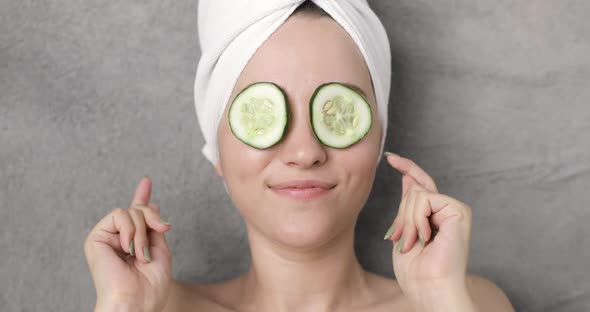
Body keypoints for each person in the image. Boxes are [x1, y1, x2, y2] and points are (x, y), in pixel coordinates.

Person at [84, 1, 515, 311]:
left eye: (338, 114)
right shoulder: (150, 307)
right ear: (218, 150)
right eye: (260, 116)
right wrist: (123, 306)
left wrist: (442, 298)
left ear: (377, 139)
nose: (306, 152)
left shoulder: (464, 301)